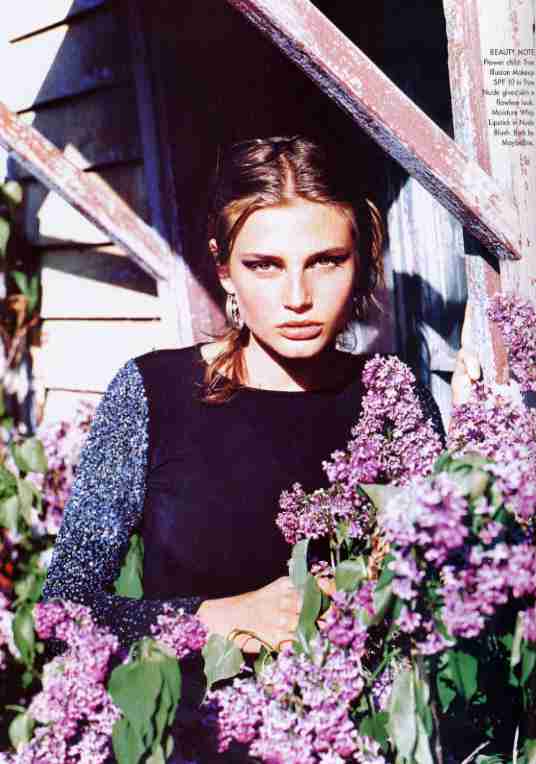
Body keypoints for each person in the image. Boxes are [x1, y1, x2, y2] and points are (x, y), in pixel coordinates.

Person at [42, 135, 472, 757]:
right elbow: (63, 613)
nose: (297, 297)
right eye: (264, 265)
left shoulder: (393, 399)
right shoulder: (153, 393)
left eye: (326, 261)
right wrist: (217, 618)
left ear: (362, 258)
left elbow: (449, 600)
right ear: (223, 267)